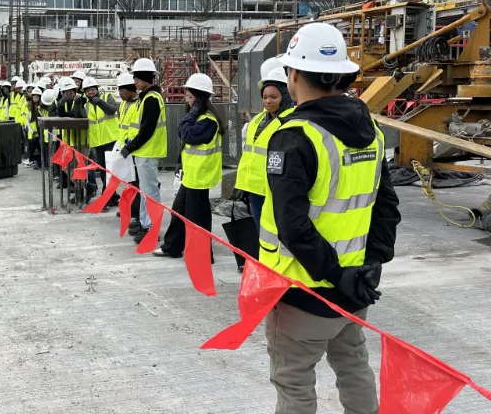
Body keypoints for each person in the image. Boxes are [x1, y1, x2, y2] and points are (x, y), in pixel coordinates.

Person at [260, 23, 400, 414]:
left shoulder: (294, 135)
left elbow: (293, 227)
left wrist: (338, 274)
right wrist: (370, 265)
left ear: (295, 75)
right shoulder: (369, 128)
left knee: (294, 383)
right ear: (340, 75)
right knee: (354, 366)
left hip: (302, 288)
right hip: (354, 288)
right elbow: (385, 206)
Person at [154, 74, 225, 258]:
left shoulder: (207, 121)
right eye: (186, 97)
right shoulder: (197, 117)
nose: (187, 100)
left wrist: (192, 113)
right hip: (191, 175)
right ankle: (172, 247)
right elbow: (184, 137)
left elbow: (186, 135)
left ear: (200, 99)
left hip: (200, 177)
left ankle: (201, 254)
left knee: (197, 216)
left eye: (190, 97)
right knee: (179, 210)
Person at [235, 64, 295, 228]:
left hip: (274, 192)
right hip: (255, 190)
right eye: (265, 97)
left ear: (285, 95)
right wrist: (242, 185)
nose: (268, 101)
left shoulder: (292, 121)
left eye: (274, 97)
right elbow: (250, 155)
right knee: (262, 236)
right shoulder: (257, 120)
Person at [119, 58, 167, 244]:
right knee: (144, 191)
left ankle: (151, 229)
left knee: (150, 193)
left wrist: (130, 147)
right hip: (143, 152)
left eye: (137, 78)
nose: (135, 82)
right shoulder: (146, 98)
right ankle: (144, 223)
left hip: (148, 152)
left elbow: (147, 130)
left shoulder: (152, 99)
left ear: (146, 78)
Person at [79, 76, 119, 210]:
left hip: (111, 139)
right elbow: (81, 116)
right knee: (103, 171)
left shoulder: (107, 96)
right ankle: (112, 196)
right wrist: (78, 104)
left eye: (92, 90)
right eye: (87, 91)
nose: (90, 93)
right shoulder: (87, 105)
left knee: (109, 171)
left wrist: (100, 102)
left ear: (97, 89)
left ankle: (106, 197)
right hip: (98, 143)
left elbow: (112, 110)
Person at [117, 73, 143, 231]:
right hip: (125, 148)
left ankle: (137, 211)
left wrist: (130, 145)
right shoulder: (123, 104)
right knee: (128, 181)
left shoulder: (139, 104)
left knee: (137, 182)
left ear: (131, 89)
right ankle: (131, 207)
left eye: (122, 90)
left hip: (135, 148)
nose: (120, 94)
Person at [25, 87, 48, 168]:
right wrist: (30, 129)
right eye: (34, 97)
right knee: (33, 146)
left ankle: (42, 162)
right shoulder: (28, 105)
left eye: (37, 97)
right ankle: (35, 161)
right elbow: (27, 118)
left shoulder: (42, 106)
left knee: (40, 146)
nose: (35, 99)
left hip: (40, 128)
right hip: (32, 129)